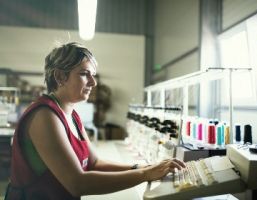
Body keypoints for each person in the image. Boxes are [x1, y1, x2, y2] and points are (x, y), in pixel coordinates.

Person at [5, 42, 185, 200]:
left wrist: (143, 167)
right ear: (60, 77)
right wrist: (145, 174)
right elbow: (77, 183)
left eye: (93, 75)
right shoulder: (45, 116)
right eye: (85, 74)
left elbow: (94, 163)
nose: (93, 82)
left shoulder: (72, 114)